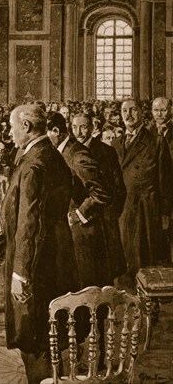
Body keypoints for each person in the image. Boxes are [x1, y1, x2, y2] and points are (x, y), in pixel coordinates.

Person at [1, 103, 80, 384]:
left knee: (33, 337)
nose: (9, 133)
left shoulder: (35, 162)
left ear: (25, 127)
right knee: (49, 332)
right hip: (54, 255)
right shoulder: (50, 154)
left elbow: (28, 224)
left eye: (11, 127)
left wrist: (20, 273)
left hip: (36, 262)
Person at [47, 112, 114, 287]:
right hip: (69, 231)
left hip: (83, 231)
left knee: (87, 286)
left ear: (56, 131)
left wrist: (78, 214)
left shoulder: (77, 155)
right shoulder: (60, 151)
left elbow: (102, 192)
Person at [112, 98, 173, 284]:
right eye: (124, 111)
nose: (128, 115)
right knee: (123, 263)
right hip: (122, 210)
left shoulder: (155, 141)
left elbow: (166, 181)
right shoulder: (115, 143)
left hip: (146, 212)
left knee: (144, 265)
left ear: (141, 113)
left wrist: (164, 213)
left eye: (133, 110)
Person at [70, 112, 127, 285]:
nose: (78, 132)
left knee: (103, 275)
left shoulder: (106, 152)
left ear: (92, 128)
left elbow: (118, 190)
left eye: (83, 127)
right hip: (79, 224)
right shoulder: (69, 151)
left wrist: (109, 216)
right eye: (74, 127)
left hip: (102, 222)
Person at [150, 97, 173, 259]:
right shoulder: (147, 133)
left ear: (170, 111)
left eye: (163, 110)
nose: (159, 114)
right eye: (156, 110)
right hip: (155, 192)